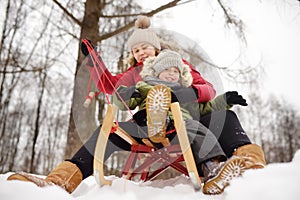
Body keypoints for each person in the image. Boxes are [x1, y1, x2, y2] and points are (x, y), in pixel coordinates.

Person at [7, 15, 266, 195]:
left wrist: (182, 95)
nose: (140, 53)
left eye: (144, 48)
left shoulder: (177, 64)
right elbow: (110, 86)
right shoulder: (135, 73)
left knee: (224, 113)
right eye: (136, 51)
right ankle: (60, 181)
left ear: (155, 47)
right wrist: (94, 62)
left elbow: (207, 89)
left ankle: (245, 166)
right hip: (145, 126)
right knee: (106, 132)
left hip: (185, 120)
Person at [113, 49, 251, 194]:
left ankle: (213, 168)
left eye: (176, 71)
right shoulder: (144, 86)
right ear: (157, 71)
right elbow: (123, 103)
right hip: (148, 130)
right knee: (188, 125)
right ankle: (158, 117)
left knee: (194, 126)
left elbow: (205, 108)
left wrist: (225, 100)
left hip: (179, 130)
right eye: (167, 69)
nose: (172, 73)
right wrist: (125, 93)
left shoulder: (185, 92)